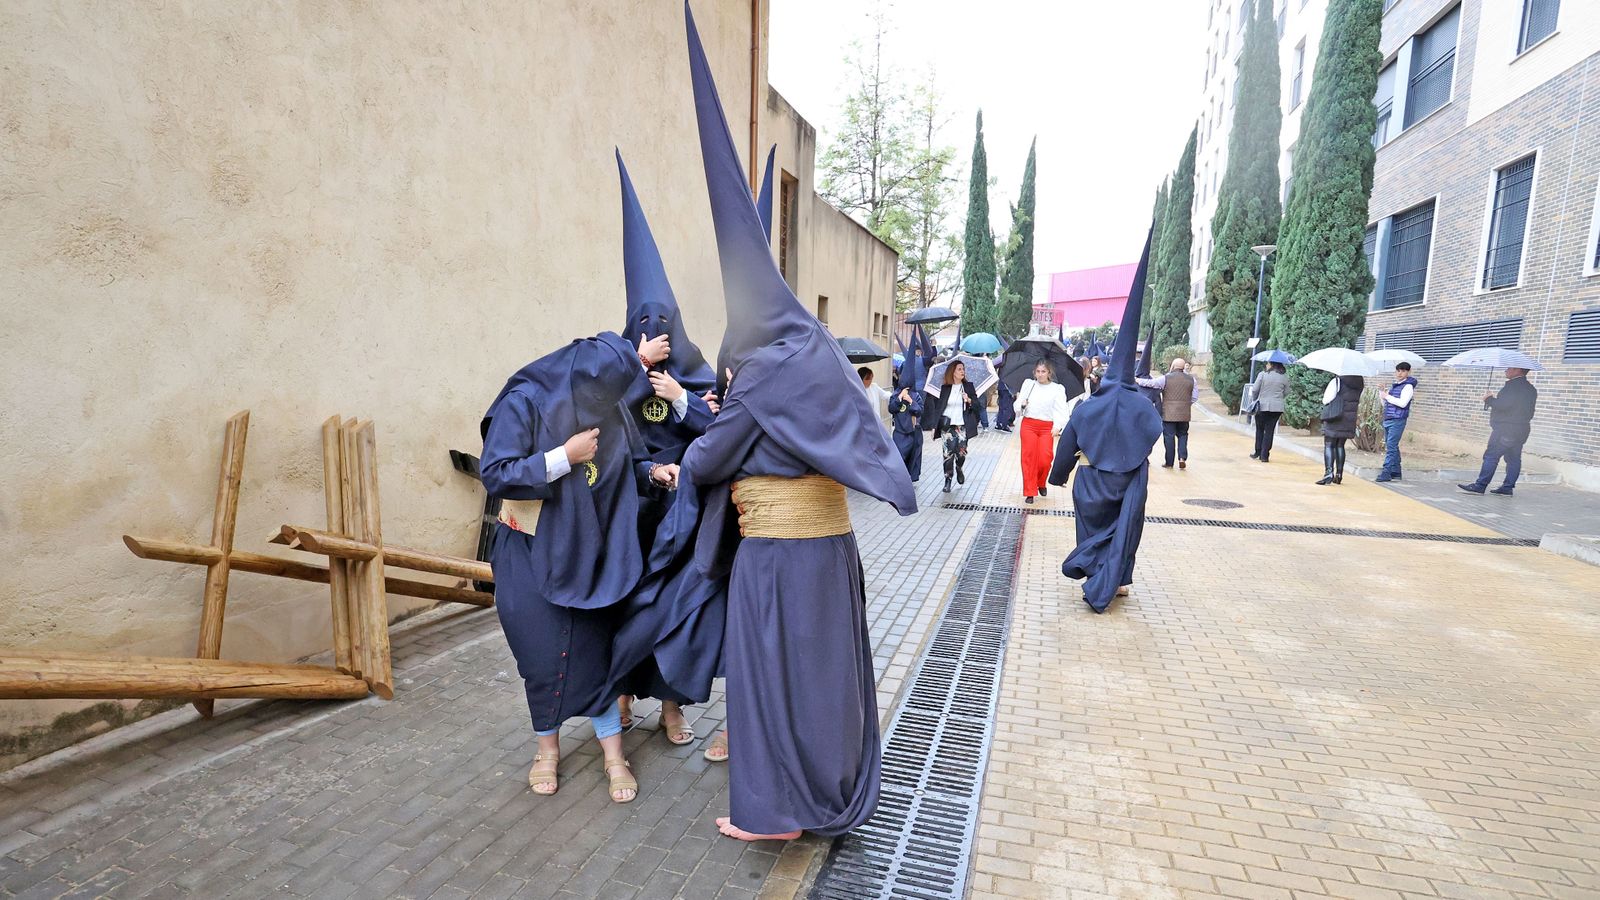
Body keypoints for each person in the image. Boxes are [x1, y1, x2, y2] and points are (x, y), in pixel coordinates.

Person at [676, 8, 917, 841]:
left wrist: (696, 425)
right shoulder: (814, 352)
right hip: (833, 548)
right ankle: (834, 789)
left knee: (768, 675)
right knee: (825, 679)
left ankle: (777, 812)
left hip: (777, 558)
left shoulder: (761, 371)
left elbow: (711, 461)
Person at [480, 330, 678, 803]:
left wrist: (652, 473)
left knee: (596, 653)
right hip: (530, 553)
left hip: (593, 555)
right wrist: (560, 458)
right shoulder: (525, 401)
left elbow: (622, 466)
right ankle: (545, 751)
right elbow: (496, 471)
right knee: (540, 656)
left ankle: (614, 756)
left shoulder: (604, 401)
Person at [612, 152, 720, 748]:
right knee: (626, 607)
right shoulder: (613, 369)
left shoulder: (697, 374)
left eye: (663, 324)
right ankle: (622, 693)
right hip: (631, 516)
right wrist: (633, 371)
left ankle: (672, 707)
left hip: (681, 519)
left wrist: (680, 397)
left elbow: (719, 431)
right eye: (642, 324)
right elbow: (598, 427)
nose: (654, 332)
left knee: (679, 612)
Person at [1048, 229, 1163, 613]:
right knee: (1126, 530)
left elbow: (1068, 446)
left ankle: (1100, 575)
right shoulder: (1144, 406)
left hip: (1094, 480)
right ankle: (1120, 582)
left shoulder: (1088, 405)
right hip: (1130, 479)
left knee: (1096, 530)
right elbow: (1151, 436)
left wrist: (1058, 475)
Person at [1459, 367, 1538, 496]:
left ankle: (1480, 486)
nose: (1506, 370)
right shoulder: (1531, 388)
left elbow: (1504, 405)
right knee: (1513, 458)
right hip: (1522, 429)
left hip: (1506, 429)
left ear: (1517, 370)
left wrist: (1489, 399)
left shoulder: (1512, 387)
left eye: (1509, 368)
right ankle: (1507, 488)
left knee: (1491, 456)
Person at [1014, 361, 1071, 504]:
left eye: (1043, 371)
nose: (1040, 374)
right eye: (1038, 371)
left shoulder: (1057, 389)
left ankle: (1041, 482)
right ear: (1034, 372)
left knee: (1045, 459)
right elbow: (1017, 405)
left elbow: (1061, 409)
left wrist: (1058, 425)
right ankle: (1030, 491)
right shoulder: (1029, 384)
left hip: (1047, 427)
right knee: (1028, 458)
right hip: (1029, 425)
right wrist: (1021, 405)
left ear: (1049, 373)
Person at [1136, 357, 1198, 469]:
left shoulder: (1166, 378)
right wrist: (1186, 404)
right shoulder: (1192, 380)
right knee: (1183, 435)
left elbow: (1152, 383)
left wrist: (1138, 380)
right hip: (1184, 414)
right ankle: (1182, 457)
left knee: (1169, 437)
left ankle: (1169, 463)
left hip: (1168, 414)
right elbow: (1194, 397)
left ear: (1173, 366)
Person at [934, 361, 980, 493]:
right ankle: (948, 479)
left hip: (962, 425)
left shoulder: (968, 387)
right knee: (948, 454)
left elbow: (978, 406)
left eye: (963, 369)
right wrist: (933, 427)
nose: (962, 371)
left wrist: (969, 400)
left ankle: (959, 467)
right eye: (959, 369)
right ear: (952, 372)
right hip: (947, 425)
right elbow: (939, 408)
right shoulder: (945, 388)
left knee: (961, 453)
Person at [1317, 374, 1364, 485]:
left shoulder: (1337, 381)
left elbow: (1326, 399)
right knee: (1340, 445)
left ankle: (1328, 473)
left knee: (1329, 444)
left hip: (1335, 416)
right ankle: (1339, 475)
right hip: (1349, 417)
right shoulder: (1359, 382)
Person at [1374, 362, 1417, 482]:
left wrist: (1387, 396)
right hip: (1389, 418)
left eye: (1403, 371)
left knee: (1391, 446)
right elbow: (1386, 404)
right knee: (1392, 445)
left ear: (1408, 372)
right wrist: (1381, 392)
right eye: (1398, 371)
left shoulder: (1408, 386)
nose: (1400, 373)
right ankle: (1396, 471)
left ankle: (1386, 472)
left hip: (1398, 419)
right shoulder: (1395, 386)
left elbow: (1403, 403)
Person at [1250, 362, 1289, 463]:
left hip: (1262, 406)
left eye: (1268, 363)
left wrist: (1255, 400)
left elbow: (1254, 390)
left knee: (1259, 429)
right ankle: (1265, 455)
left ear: (1272, 365)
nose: (1266, 365)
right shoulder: (1284, 377)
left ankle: (1257, 451)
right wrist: (1278, 398)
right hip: (1277, 408)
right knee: (1269, 430)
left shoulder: (1262, 375)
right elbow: (1287, 392)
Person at [889, 368, 924, 482]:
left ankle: (910, 479)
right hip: (900, 432)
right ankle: (900, 480)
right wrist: (900, 398)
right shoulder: (895, 394)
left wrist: (910, 401)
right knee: (899, 458)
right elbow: (891, 408)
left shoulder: (916, 396)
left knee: (913, 458)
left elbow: (919, 411)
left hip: (914, 433)